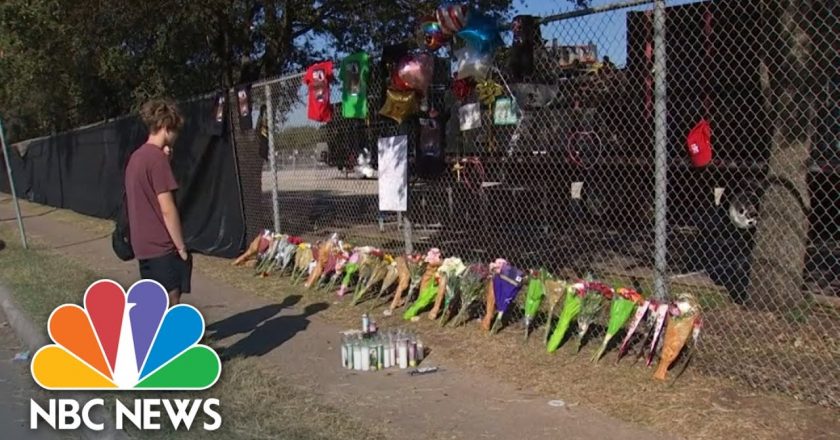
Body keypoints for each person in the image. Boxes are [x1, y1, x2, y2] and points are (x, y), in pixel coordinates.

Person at [125, 98, 191, 306]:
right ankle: (171, 337)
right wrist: (180, 247)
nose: (176, 137)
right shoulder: (156, 159)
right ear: (165, 127)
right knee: (172, 297)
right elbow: (167, 208)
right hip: (161, 245)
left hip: (142, 244)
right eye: (175, 131)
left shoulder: (136, 158)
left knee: (152, 300)